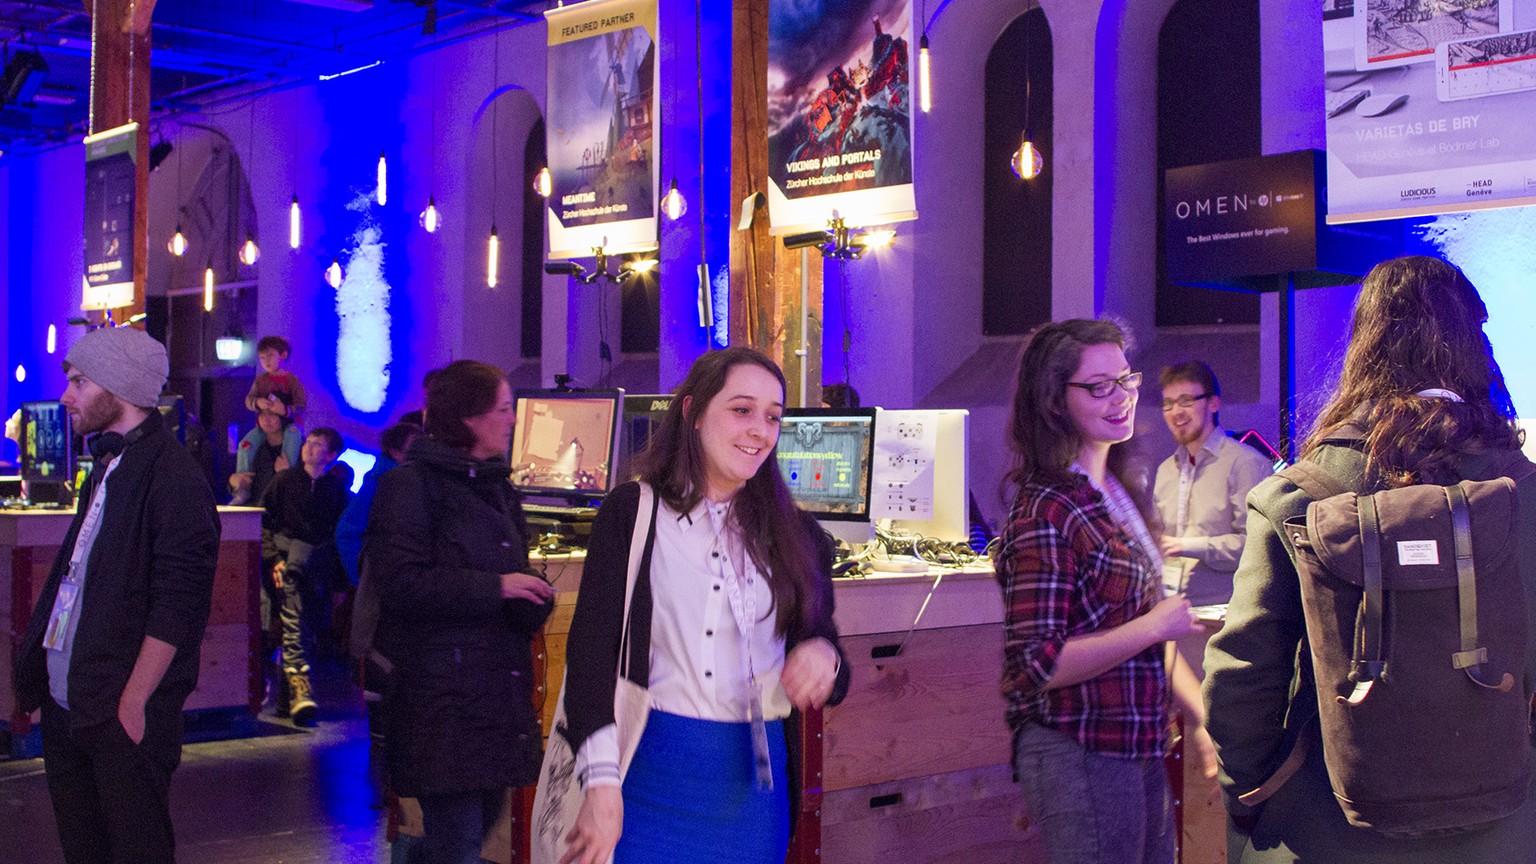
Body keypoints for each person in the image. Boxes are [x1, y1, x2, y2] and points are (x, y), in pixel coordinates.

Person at [1202, 255, 1536, 863]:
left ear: (1364, 344)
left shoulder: (1298, 494)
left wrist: (1248, 796)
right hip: (1507, 828)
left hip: (1326, 829)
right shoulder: (1525, 492)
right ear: (1475, 343)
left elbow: (1242, 677)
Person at [559, 347, 851, 864]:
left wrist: (823, 654)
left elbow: (828, 653)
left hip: (752, 796)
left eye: (773, 417)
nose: (760, 430)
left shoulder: (797, 534)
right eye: (741, 410)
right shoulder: (634, 513)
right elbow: (590, 657)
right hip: (646, 780)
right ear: (693, 412)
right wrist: (601, 784)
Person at [994, 319, 1213, 864]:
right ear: (1054, 401)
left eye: (1126, 380)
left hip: (1139, 742)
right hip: (1080, 749)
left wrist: (1201, 716)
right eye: (1098, 387)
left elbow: (1151, 630)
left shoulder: (1114, 488)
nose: (1121, 398)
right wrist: (1152, 627)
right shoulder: (1046, 508)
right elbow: (1036, 664)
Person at [12, 326, 221, 864]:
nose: (66, 397)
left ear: (119, 387)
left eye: (79, 382)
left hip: (117, 713)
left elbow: (179, 605)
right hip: (72, 704)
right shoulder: (107, 467)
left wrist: (132, 701)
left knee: (135, 850)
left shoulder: (174, 477)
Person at [365, 360, 556, 864]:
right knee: (458, 842)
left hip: (492, 695)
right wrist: (497, 587)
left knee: (469, 834)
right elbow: (401, 583)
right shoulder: (411, 487)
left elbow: (507, 577)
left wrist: (532, 598)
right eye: (504, 409)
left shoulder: (496, 487)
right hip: (440, 701)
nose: (512, 419)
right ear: (469, 418)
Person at [1152, 361, 1273, 606]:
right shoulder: (1165, 470)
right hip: (1173, 610)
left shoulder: (1246, 463)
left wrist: (1185, 546)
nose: (1176, 411)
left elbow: (1257, 546)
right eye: (1168, 403)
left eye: (1186, 401)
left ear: (1213, 403)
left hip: (1227, 612)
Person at [261, 426, 350, 726]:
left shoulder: (336, 491)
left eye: (317, 444)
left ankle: (287, 700)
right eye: (308, 442)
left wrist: (339, 582)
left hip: (319, 568)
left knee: (302, 628)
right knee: (294, 623)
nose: (308, 447)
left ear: (331, 454)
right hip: (288, 563)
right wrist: (274, 559)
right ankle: (300, 694)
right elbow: (264, 521)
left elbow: (339, 538)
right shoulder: (283, 481)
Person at [236, 335, 306, 479]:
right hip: (263, 426)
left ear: (283, 355)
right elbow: (249, 400)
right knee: (245, 445)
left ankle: (285, 476)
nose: (266, 361)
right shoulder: (260, 380)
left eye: (270, 356)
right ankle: (243, 481)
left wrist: (285, 410)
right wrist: (257, 402)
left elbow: (301, 406)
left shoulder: (291, 380)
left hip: (288, 425)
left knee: (293, 436)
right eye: (262, 357)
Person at [230, 393, 298, 505]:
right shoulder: (254, 447)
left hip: (281, 509)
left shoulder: (296, 448)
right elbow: (237, 482)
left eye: (272, 414)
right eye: (262, 414)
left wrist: (286, 475)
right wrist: (233, 481)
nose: (267, 420)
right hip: (253, 509)